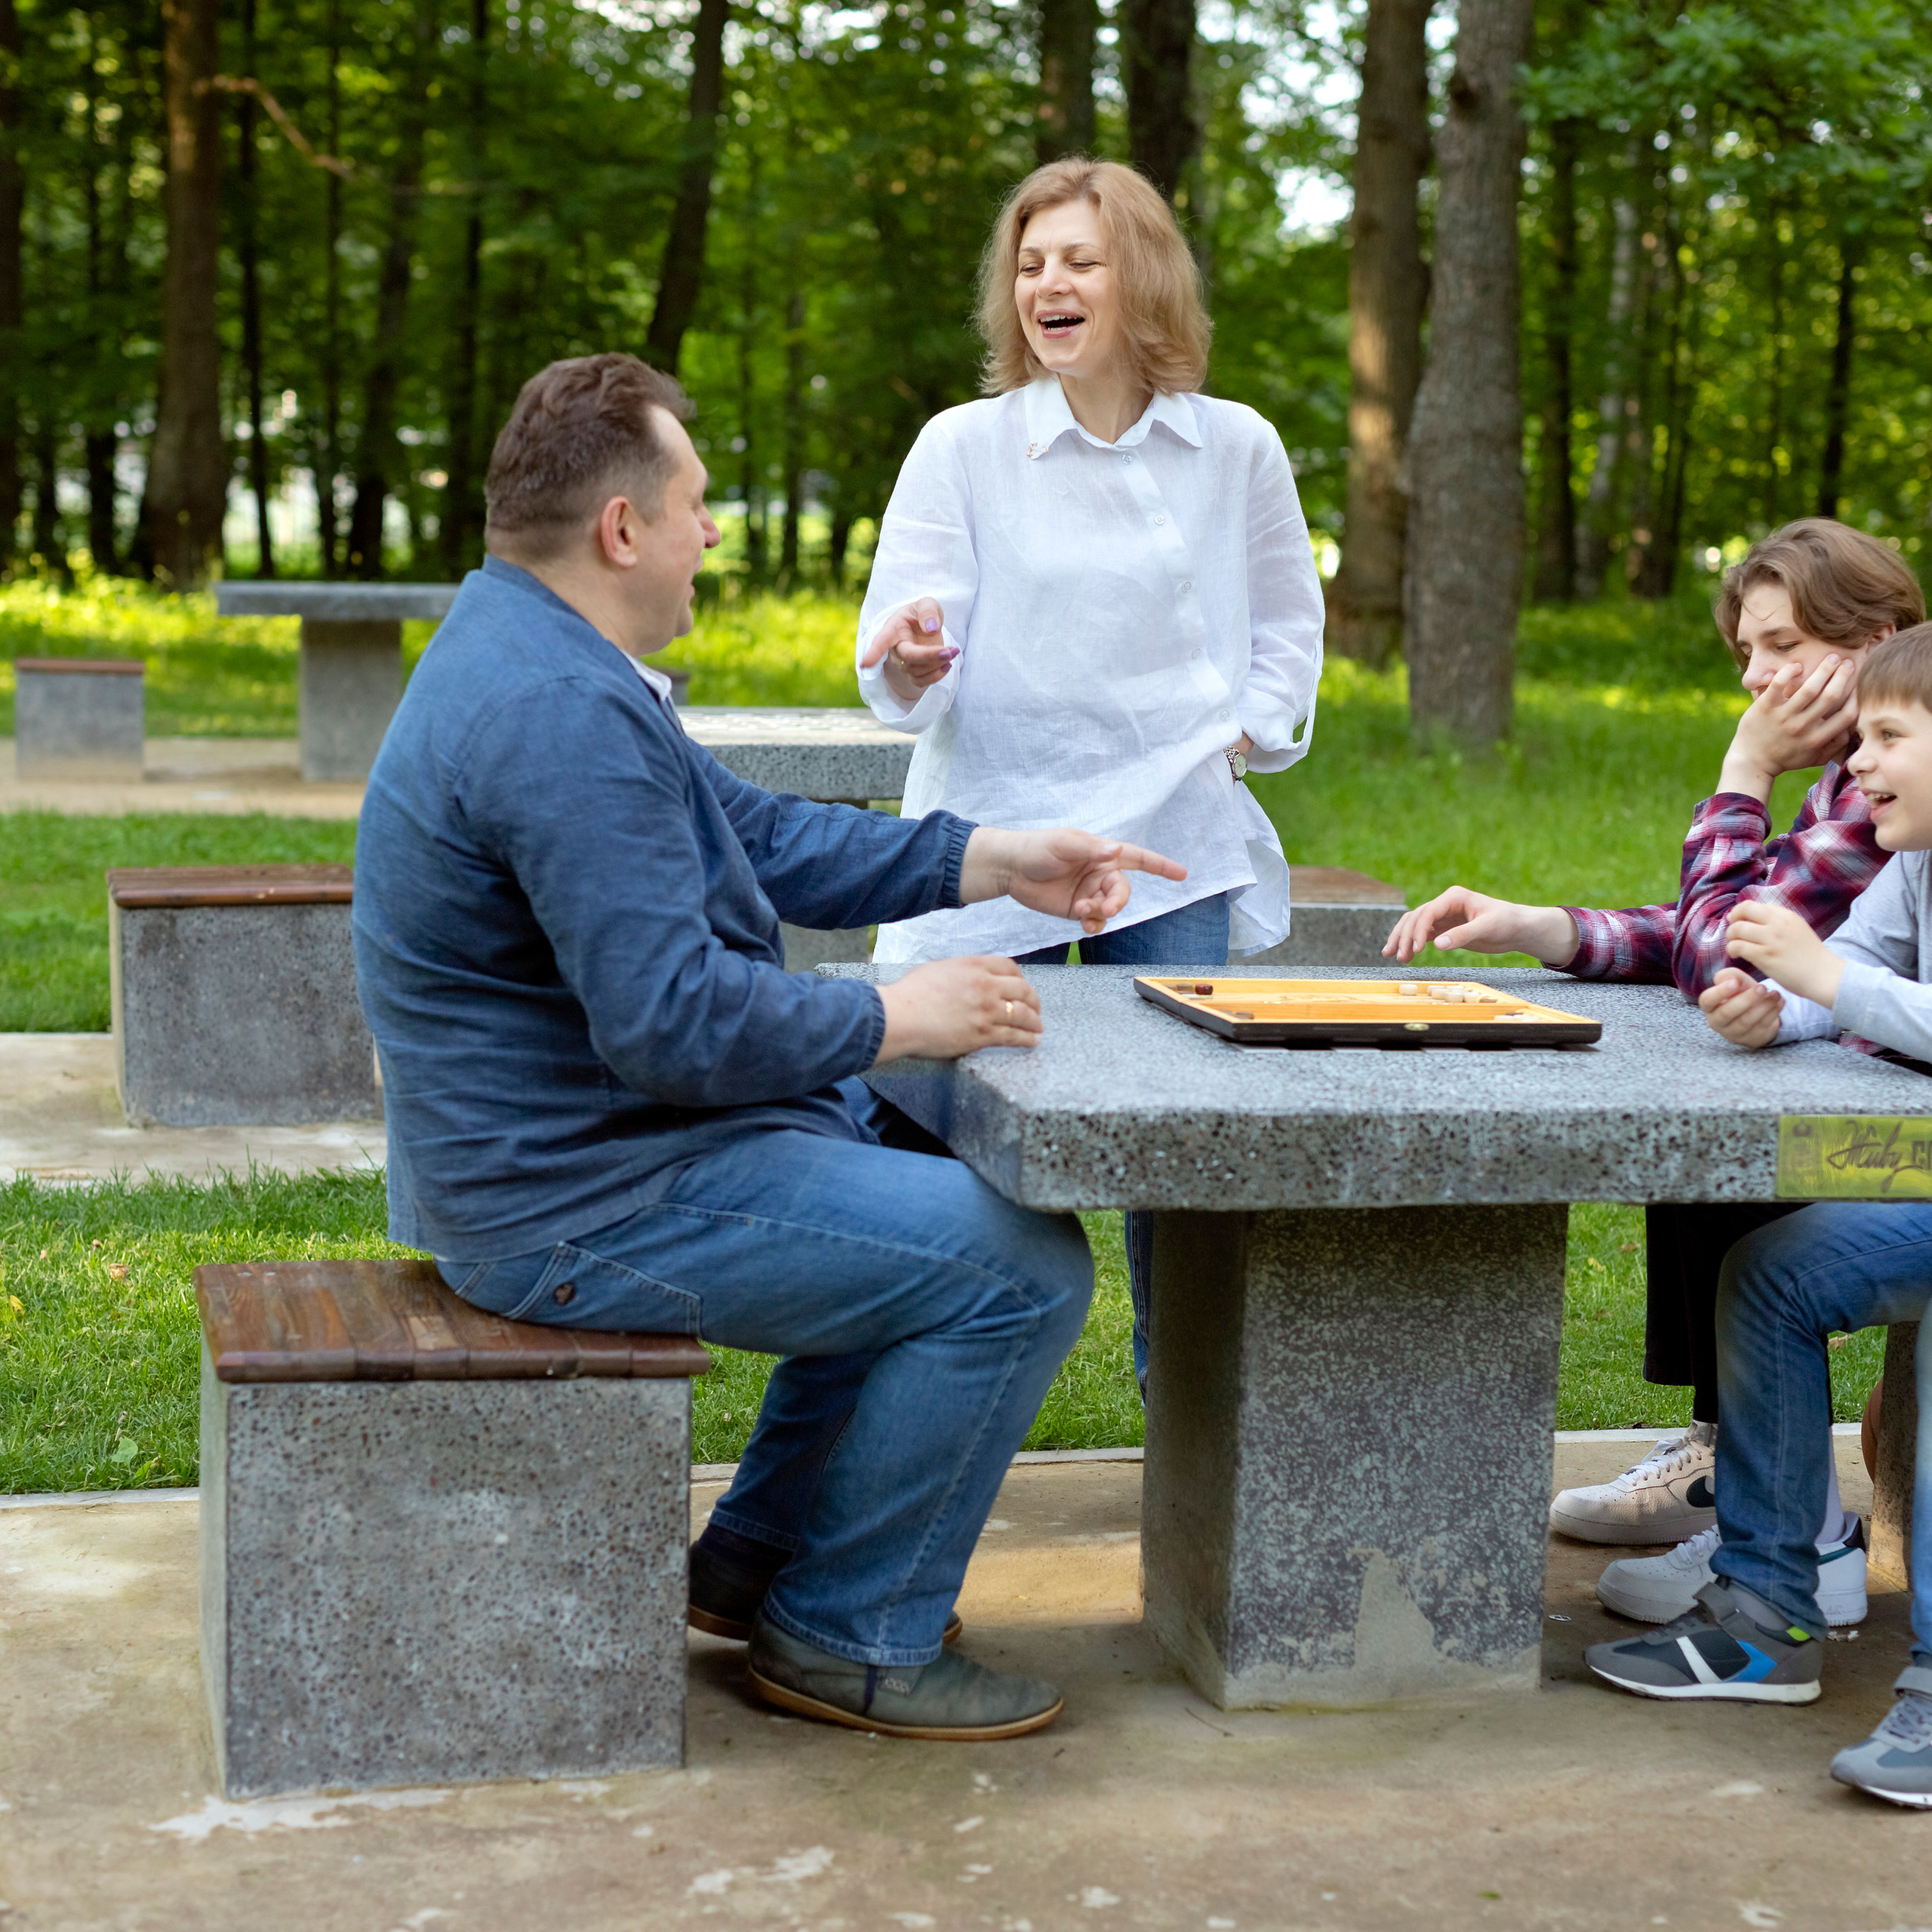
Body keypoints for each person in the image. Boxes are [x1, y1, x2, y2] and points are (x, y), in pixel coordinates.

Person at [351, 352, 1186, 1743]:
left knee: (922, 1206)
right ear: (623, 529)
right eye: (697, 502)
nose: (714, 529)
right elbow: (671, 1020)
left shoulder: (544, 652)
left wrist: (990, 857)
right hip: (568, 1200)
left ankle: (755, 1561)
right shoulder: (556, 712)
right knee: (1016, 1265)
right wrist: (891, 1018)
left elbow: (763, 836)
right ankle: (851, 1632)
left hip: (586, 1153)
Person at [1384, 520, 1923, 1620]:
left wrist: (1743, 769)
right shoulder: (1863, 781)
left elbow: (1726, 943)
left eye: (1778, 647)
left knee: (1729, 1163)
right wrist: (1543, 927)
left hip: (1901, 1133)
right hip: (1879, 1094)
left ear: (1873, 642)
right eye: (1743, 658)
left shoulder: (1893, 794)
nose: (1757, 679)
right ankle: (1736, 1472)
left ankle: (1786, 1522)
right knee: (1711, 1120)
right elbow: (1739, 945)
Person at [854, 157, 1325, 1389]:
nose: (1046, 285)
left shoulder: (1237, 447)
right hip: (990, 843)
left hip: (1173, 853)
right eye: (1028, 265)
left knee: (1184, 1163)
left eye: (1078, 260)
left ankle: (1189, 1413)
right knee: (928, 1135)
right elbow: (901, 660)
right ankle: (920, 1383)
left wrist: (1243, 733)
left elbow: (1289, 627)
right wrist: (910, 656)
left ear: (1144, 279)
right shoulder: (963, 447)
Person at [1587, 620, 1932, 1807]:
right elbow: (1844, 984)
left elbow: (1859, 982)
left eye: (1890, 738)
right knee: (1769, 1269)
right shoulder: (1913, 860)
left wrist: (1827, 979)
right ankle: (1770, 1612)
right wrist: (1773, 1013)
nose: (1864, 764)